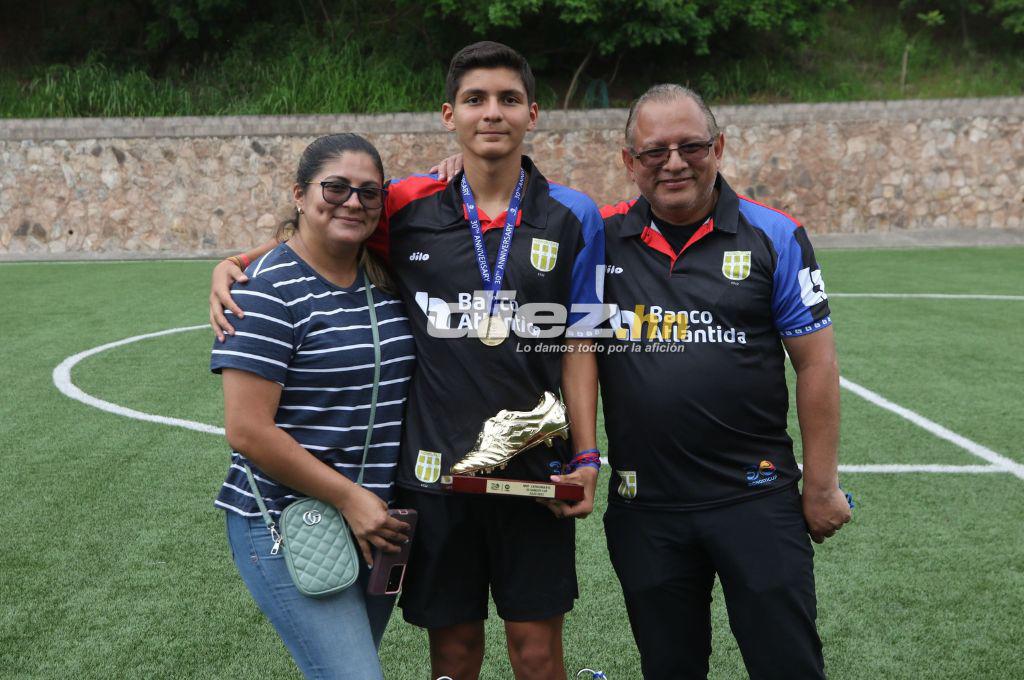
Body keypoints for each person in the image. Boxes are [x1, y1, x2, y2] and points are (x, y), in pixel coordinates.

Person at [210, 42, 605, 680]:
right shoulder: (407, 205)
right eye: (475, 99)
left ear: (533, 113)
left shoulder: (575, 214)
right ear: (449, 115)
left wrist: (587, 458)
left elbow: (580, 343)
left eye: (508, 99)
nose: (492, 112)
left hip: (534, 473)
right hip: (432, 481)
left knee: (537, 654)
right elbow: (327, 225)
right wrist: (239, 262)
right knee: (453, 655)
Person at [596, 84, 851, 679]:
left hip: (756, 499)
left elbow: (816, 363)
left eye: (691, 146)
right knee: (670, 668)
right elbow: (510, 213)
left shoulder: (776, 234)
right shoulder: (596, 234)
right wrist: (451, 169)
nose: (674, 163)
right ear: (629, 161)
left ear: (719, 147)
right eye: (655, 151)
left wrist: (820, 486)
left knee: (788, 666)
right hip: (645, 507)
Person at [211, 133, 415, 680]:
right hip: (290, 519)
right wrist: (350, 498)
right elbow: (247, 430)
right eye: (335, 187)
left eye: (369, 192)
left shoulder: (384, 278)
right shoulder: (264, 290)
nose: (352, 202)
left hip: (376, 523)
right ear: (299, 194)